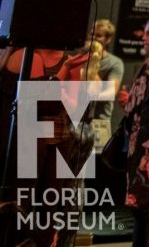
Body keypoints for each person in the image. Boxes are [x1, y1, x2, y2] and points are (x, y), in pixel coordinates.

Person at [0, 46, 92, 247]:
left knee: (49, 204)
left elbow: (73, 107)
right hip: (26, 140)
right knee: (20, 202)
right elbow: (41, 101)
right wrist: (61, 78)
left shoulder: (69, 61)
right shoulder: (28, 55)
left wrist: (64, 96)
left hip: (57, 139)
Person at [116, 14, 149, 247]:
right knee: (141, 213)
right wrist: (130, 101)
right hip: (138, 147)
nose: (144, 39)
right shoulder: (148, 63)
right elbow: (138, 105)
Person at [88, 18, 124, 147]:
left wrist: (94, 64)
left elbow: (110, 92)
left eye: (98, 36)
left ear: (107, 40)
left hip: (99, 122)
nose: (93, 38)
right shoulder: (79, 57)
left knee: (96, 164)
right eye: (91, 34)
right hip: (76, 119)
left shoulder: (114, 63)